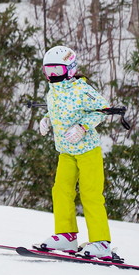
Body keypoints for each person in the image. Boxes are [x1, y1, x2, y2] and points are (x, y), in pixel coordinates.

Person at [32, 45, 118, 260]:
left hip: (88, 150)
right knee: (61, 191)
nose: (52, 76)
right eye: (48, 71)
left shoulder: (82, 90)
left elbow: (102, 110)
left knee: (90, 194)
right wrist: (46, 120)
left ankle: (101, 242)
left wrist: (83, 127)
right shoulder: (53, 92)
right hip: (65, 151)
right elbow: (57, 111)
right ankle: (66, 235)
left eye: (56, 71)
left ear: (70, 69)